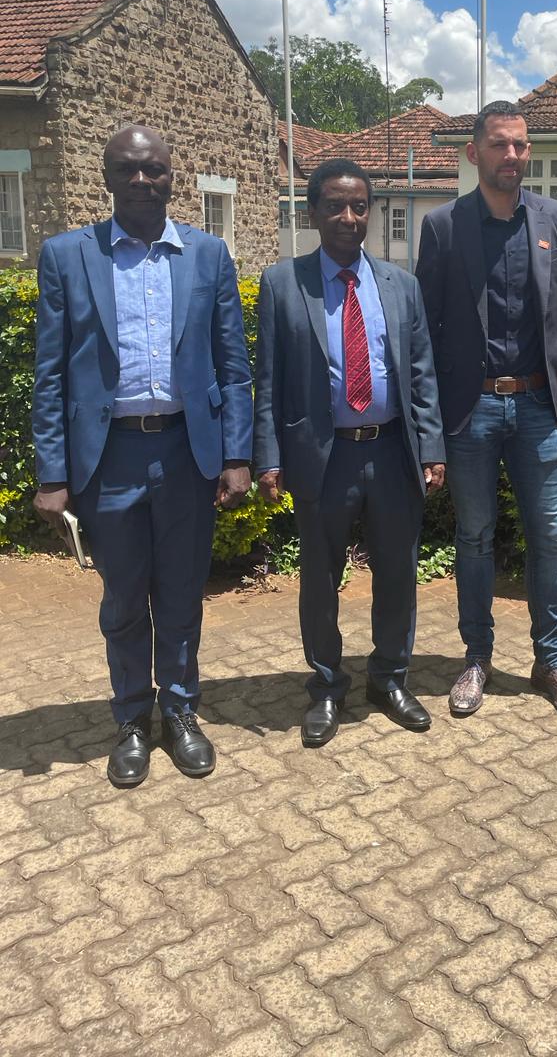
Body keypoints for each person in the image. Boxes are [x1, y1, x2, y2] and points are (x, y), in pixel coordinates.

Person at [32, 124, 253, 788]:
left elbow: (233, 364)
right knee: (125, 597)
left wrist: (237, 455)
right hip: (109, 457)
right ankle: (131, 719)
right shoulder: (67, 256)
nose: (140, 180)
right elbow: (50, 374)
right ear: (106, 177)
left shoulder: (208, 255)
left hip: (187, 450)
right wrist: (53, 473)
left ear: (171, 177)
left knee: (182, 592)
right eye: (126, 169)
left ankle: (181, 712)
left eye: (152, 169)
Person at [416, 100, 557, 721]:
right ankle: (477, 657)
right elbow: (426, 330)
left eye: (520, 144)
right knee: (474, 536)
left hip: (539, 407)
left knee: (550, 535)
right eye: (499, 144)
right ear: (474, 153)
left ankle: (552, 661)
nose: (512, 155)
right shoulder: (443, 227)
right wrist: (429, 421)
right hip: (471, 411)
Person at [254, 158, 445, 747]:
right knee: (320, 579)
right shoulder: (283, 283)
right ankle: (326, 686)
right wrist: (268, 457)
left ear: (370, 212)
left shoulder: (401, 285)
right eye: (335, 206)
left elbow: (422, 374)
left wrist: (431, 447)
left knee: (398, 574)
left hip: (391, 453)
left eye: (359, 206)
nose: (348, 217)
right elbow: (267, 379)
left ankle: (388, 679)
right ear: (312, 212)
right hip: (323, 457)